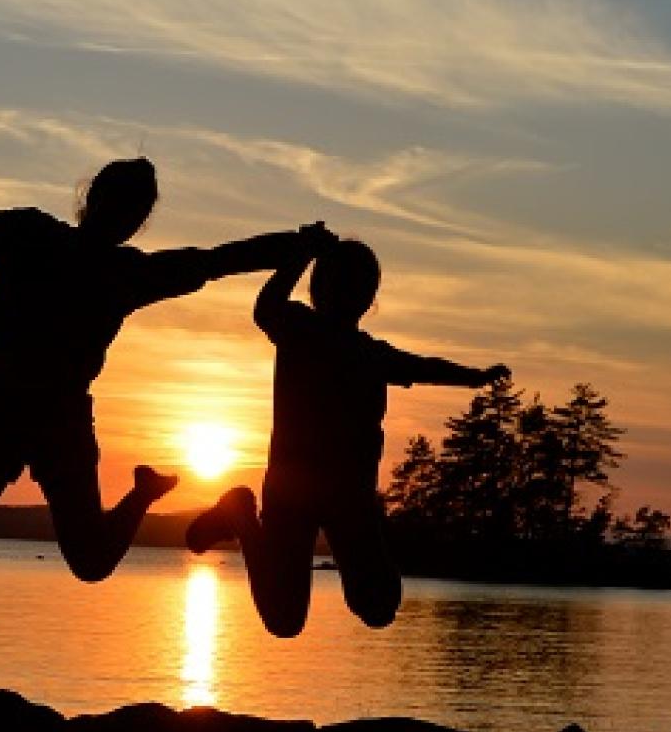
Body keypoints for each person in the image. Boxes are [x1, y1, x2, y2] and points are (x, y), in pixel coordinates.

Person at [0, 159, 327, 583]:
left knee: (92, 562)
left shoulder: (125, 272)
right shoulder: (29, 234)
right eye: (122, 205)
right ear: (93, 197)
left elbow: (215, 261)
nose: (126, 219)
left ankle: (144, 492)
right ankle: (142, 491)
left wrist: (296, 245)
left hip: (60, 416)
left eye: (136, 213)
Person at [186, 233, 510, 636]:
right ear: (321, 290)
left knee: (379, 608)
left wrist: (474, 378)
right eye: (343, 284)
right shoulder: (299, 328)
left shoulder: (371, 355)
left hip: (349, 499)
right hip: (293, 495)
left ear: (368, 297)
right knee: (285, 621)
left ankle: (240, 516)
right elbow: (265, 308)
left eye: (360, 287)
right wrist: (302, 252)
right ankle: (240, 514)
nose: (350, 294)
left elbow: (424, 366)